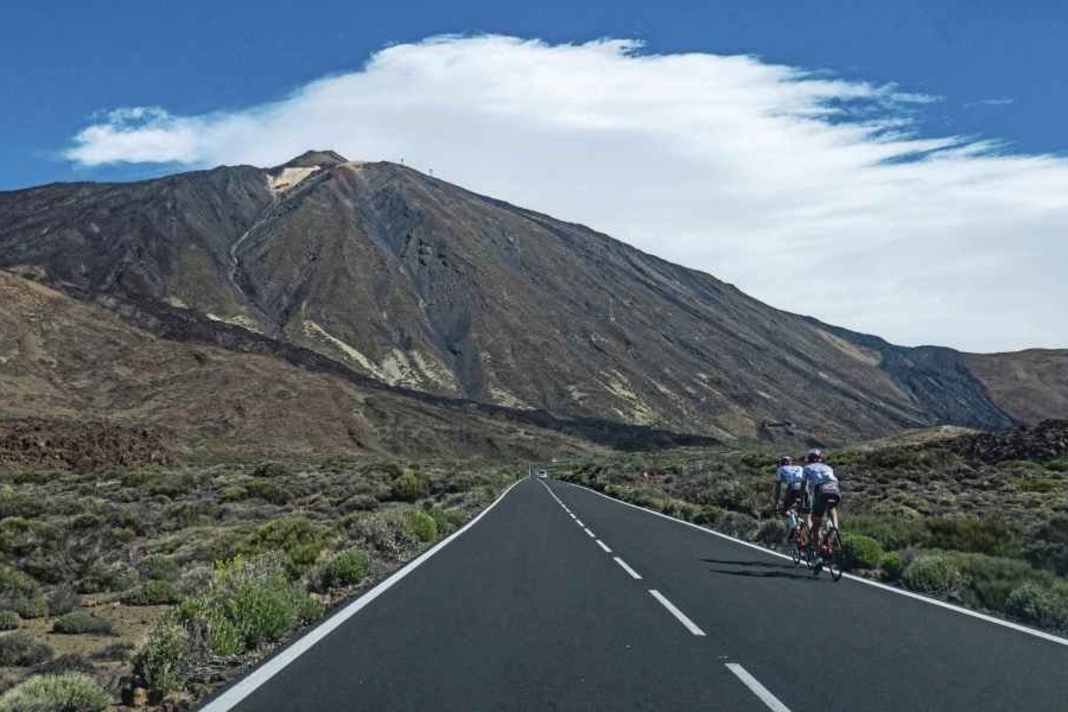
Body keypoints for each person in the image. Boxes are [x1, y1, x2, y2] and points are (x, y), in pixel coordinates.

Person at [802, 449, 841, 564]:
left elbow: (804, 486)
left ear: (809, 459)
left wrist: (802, 500)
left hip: (821, 490)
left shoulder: (807, 468)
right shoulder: (828, 467)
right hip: (835, 488)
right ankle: (835, 526)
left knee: (816, 524)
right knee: (832, 507)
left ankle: (818, 555)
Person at [772, 456, 806, 543]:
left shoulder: (781, 469)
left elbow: (778, 488)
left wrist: (776, 503)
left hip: (793, 487)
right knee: (797, 509)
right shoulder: (799, 467)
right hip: (805, 488)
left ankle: (795, 527)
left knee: (785, 510)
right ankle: (800, 523)